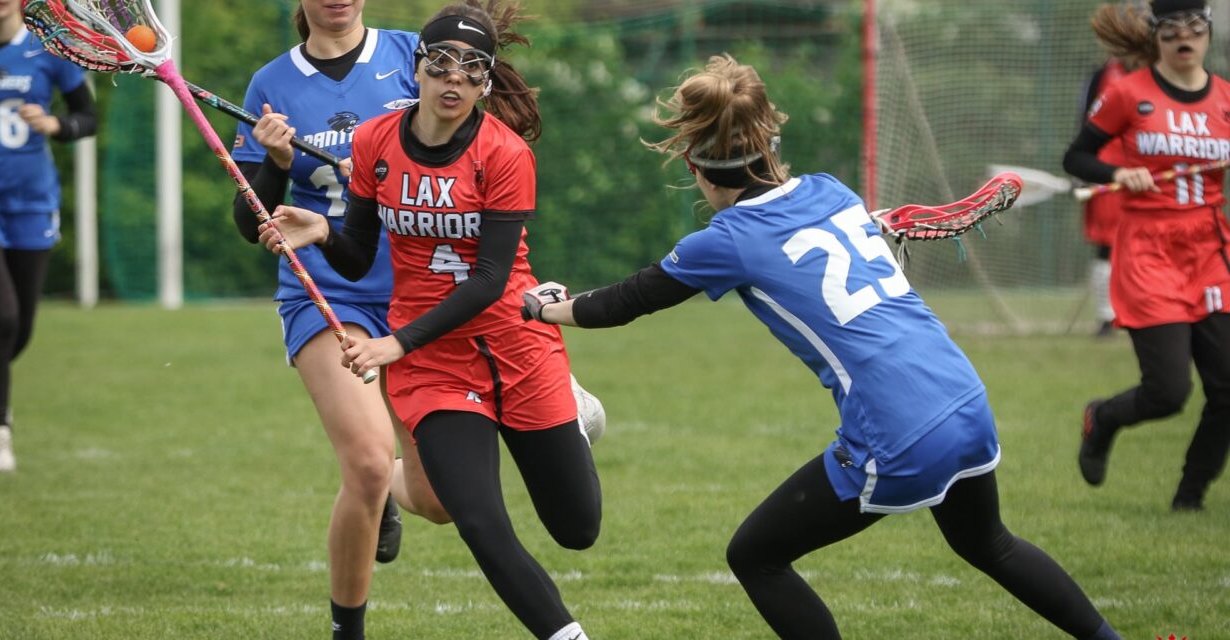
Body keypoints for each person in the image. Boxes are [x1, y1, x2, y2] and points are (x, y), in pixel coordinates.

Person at [522, 54, 1120, 640]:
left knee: (755, 555)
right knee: (989, 542)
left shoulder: (725, 240)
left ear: (694, 165)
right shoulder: (830, 191)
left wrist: (543, 307)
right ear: (770, 147)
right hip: (962, 396)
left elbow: (624, 301)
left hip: (897, 428)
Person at [260, 2, 601, 638]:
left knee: (577, 529)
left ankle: (570, 416)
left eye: (473, 70)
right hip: (434, 357)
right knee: (476, 518)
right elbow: (359, 256)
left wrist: (394, 343)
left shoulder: (503, 154)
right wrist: (320, 232)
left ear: (487, 82)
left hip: (511, 340)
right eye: (442, 63)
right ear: (417, 68)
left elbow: (492, 281)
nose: (455, 79)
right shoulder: (375, 140)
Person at [230, 1, 434, 637]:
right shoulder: (271, 84)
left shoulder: (414, 57)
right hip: (326, 289)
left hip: (417, 292)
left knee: (440, 502)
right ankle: (349, 629)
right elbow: (249, 222)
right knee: (370, 463)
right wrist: (276, 167)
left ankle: (382, 499)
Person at [1062, 0, 1230, 511]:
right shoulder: (1127, 94)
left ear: (1207, 35)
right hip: (1148, 253)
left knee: (1228, 389)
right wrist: (1116, 174)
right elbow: (1077, 157)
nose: (1185, 38)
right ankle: (1104, 418)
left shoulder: (1225, 99)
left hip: (1208, 250)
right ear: (1157, 37)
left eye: (1194, 29)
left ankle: (1190, 497)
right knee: (1168, 392)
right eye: (1172, 30)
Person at [0, 0, 97, 473]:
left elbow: (86, 117)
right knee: (3, 316)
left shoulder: (47, 48)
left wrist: (57, 125)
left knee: (22, 325)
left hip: (32, 203)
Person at [1078, 57, 1132, 338]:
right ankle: (1106, 317)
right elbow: (1084, 125)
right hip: (1108, 171)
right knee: (1107, 245)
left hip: (1148, 171)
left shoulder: (1161, 73)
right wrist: (1085, 168)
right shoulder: (1102, 74)